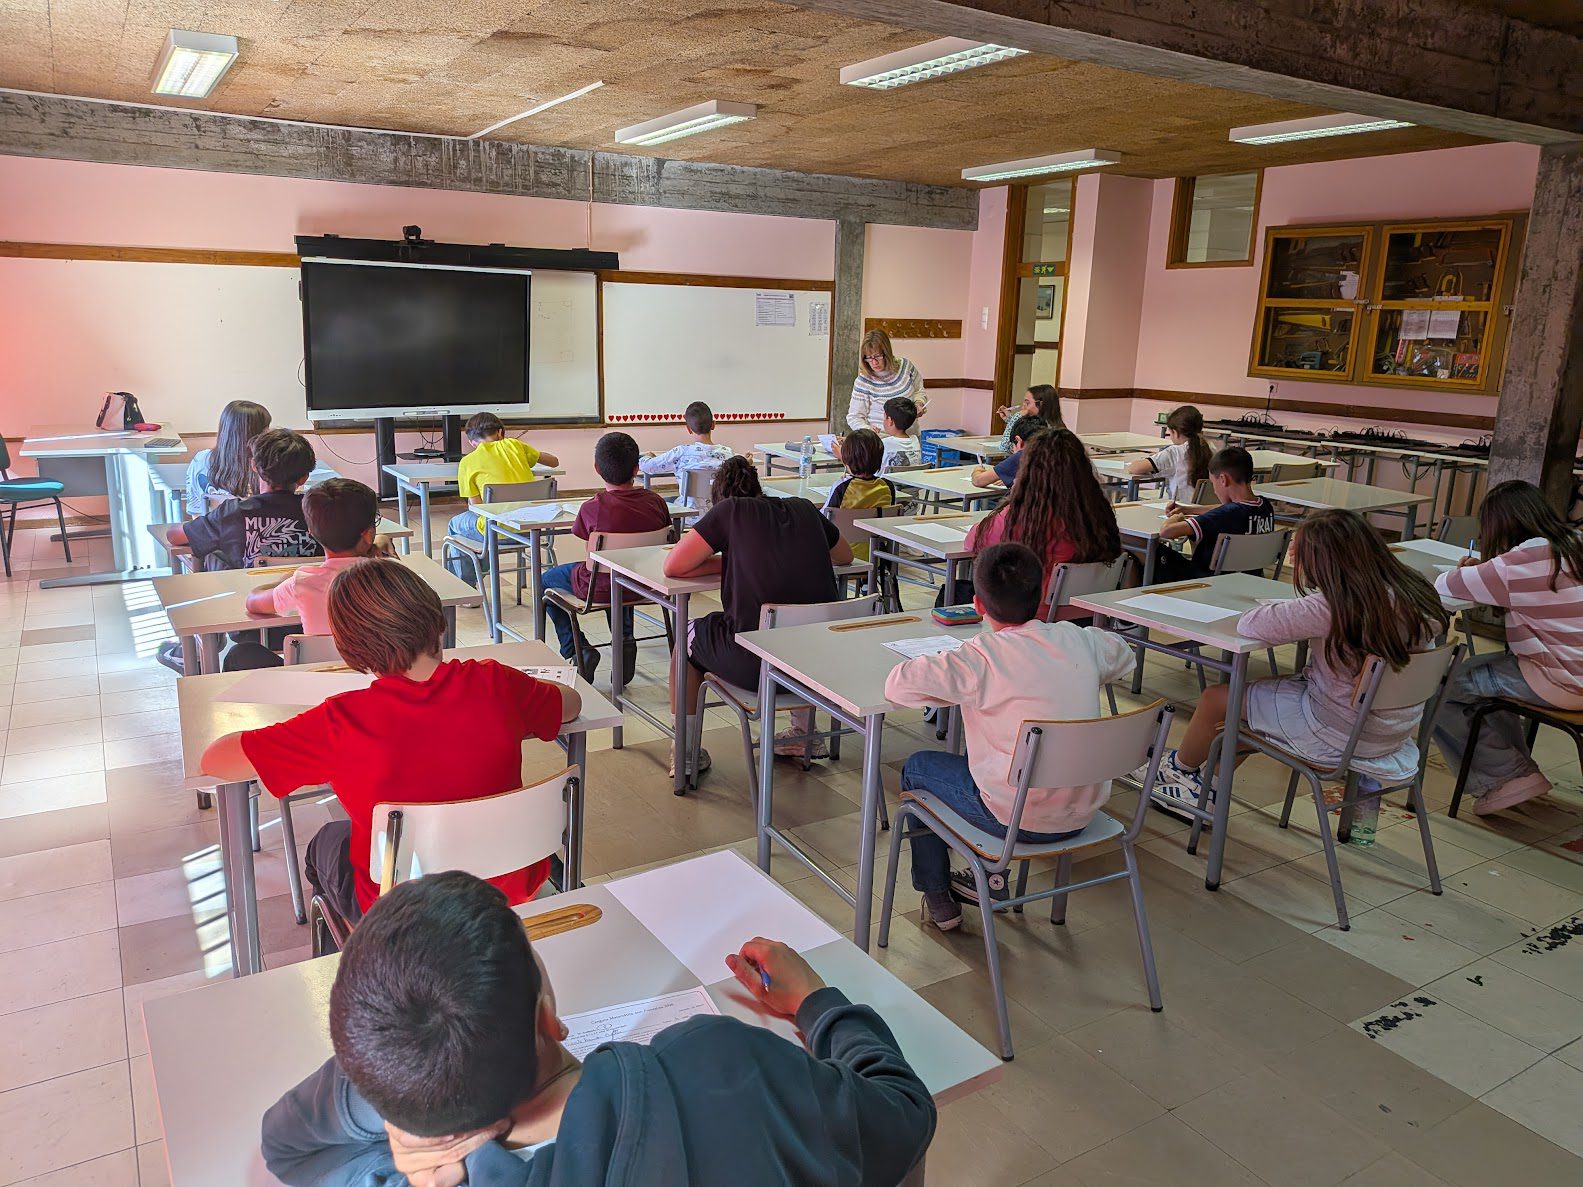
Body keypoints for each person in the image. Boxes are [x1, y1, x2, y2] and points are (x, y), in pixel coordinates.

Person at [260, 871, 936, 1187]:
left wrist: (410, 1114)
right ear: (547, 1015)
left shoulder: (419, 1171)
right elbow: (904, 1110)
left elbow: (287, 1147)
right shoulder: (727, 1066)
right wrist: (816, 1001)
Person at [199, 559, 581, 926]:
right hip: (506, 887)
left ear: (347, 647)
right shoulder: (497, 683)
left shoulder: (340, 721)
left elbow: (214, 760)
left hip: (401, 908)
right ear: (436, 618)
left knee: (326, 842)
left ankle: (366, 955)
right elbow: (571, 704)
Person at [884, 543, 1134, 929]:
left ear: (977, 605)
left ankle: (939, 896)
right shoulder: (1079, 640)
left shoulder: (979, 657)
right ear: (1043, 593)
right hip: (1083, 811)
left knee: (917, 768)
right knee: (995, 765)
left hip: (1012, 817)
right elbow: (1123, 653)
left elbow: (898, 686)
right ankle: (987, 878)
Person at [1147, 509, 1450, 821]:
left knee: (1218, 698)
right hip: (1391, 731)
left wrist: (1301, 603)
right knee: (1249, 712)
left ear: (1323, 561)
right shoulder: (1413, 592)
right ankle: (1206, 787)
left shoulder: (1334, 605)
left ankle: (1178, 769)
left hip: (1338, 732)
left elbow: (1252, 624)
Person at [663, 457, 852, 776]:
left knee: (686, 636)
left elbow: (674, 566)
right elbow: (844, 556)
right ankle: (803, 734)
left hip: (757, 666)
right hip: (818, 665)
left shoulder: (729, 511)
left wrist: (730, 560)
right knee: (797, 621)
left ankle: (685, 752)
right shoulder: (804, 508)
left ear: (718, 498)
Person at [1433, 480, 1583, 815]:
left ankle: (1507, 776)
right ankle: (1516, 769)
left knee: (1438, 686)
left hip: (1564, 682)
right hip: (1571, 672)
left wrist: (1477, 570)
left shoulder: (1518, 563)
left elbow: (1444, 590)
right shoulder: (1575, 544)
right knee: (1489, 678)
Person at [542, 432, 673, 683]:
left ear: (597, 468)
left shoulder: (593, 507)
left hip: (598, 589)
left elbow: (587, 545)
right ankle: (625, 641)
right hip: (648, 584)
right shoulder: (656, 502)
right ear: (636, 469)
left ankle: (577, 649)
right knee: (624, 572)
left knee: (547, 581)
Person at [224, 478, 388, 671]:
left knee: (241, 654)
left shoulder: (303, 583)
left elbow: (253, 602)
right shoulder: (391, 577)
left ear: (312, 532)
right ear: (368, 535)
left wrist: (287, 578)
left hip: (315, 679)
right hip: (377, 679)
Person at [964, 429, 1122, 614]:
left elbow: (972, 541)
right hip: (1091, 616)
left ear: (1027, 472)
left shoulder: (1021, 517)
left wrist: (1014, 499)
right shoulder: (1097, 514)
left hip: (1032, 617)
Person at [167, 428, 322, 571]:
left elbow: (174, 536)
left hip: (245, 590)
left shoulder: (232, 513)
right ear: (304, 478)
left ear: (254, 465)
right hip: (309, 590)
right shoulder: (321, 512)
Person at [448, 413, 561, 583]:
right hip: (532, 529)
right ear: (500, 432)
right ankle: (479, 568)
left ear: (472, 442)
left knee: (455, 525)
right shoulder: (515, 445)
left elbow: (478, 509)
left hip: (496, 533)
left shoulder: (468, 462)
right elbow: (554, 462)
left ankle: (467, 584)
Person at [184, 400, 336, 516]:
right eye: (266, 428)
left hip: (219, 542)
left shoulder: (200, 461)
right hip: (266, 540)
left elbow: (196, 514)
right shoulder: (268, 465)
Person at [1152, 446, 1275, 581]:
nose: (1215, 490)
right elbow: (1226, 509)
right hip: (1248, 579)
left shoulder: (1225, 515)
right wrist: (1188, 510)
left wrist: (1177, 517)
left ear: (1223, 479)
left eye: (1213, 483)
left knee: (1148, 549)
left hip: (1205, 581)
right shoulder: (1265, 506)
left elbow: (1166, 532)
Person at [639, 400, 733, 509]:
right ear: (713, 425)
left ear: (688, 428)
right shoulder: (728, 454)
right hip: (720, 514)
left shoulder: (681, 452)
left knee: (665, 502)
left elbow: (647, 467)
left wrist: (647, 457)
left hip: (688, 514)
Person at [823, 429, 897, 565]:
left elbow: (824, 518)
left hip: (843, 555)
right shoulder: (887, 487)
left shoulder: (841, 487)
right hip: (877, 556)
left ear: (846, 458)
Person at [845, 328, 926, 435]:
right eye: (869, 358)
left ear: (887, 353)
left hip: (910, 436)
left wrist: (919, 403)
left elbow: (919, 390)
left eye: (878, 356)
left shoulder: (906, 367)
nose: (874, 362)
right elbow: (854, 417)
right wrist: (867, 429)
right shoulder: (863, 381)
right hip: (881, 439)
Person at [1127, 405, 1210, 504]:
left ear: (1175, 433)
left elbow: (1134, 468)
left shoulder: (1174, 452)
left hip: (1180, 508)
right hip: (1206, 510)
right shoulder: (1210, 449)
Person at [971, 414, 1046, 488]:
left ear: (1018, 441)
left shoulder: (1022, 456)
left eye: (1012, 446)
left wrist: (977, 471)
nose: (1013, 450)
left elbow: (978, 480)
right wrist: (1009, 478)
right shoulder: (1049, 453)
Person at [995, 384, 1063, 454]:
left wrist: (1015, 417)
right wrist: (1009, 419)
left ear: (1041, 404)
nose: (1023, 407)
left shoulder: (1043, 430)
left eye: (1027, 403)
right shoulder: (1054, 425)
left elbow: (1005, 446)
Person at [878, 396, 921, 472]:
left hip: (886, 480)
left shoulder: (884, 443)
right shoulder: (915, 440)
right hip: (912, 479)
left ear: (890, 420)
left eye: (885, 417)